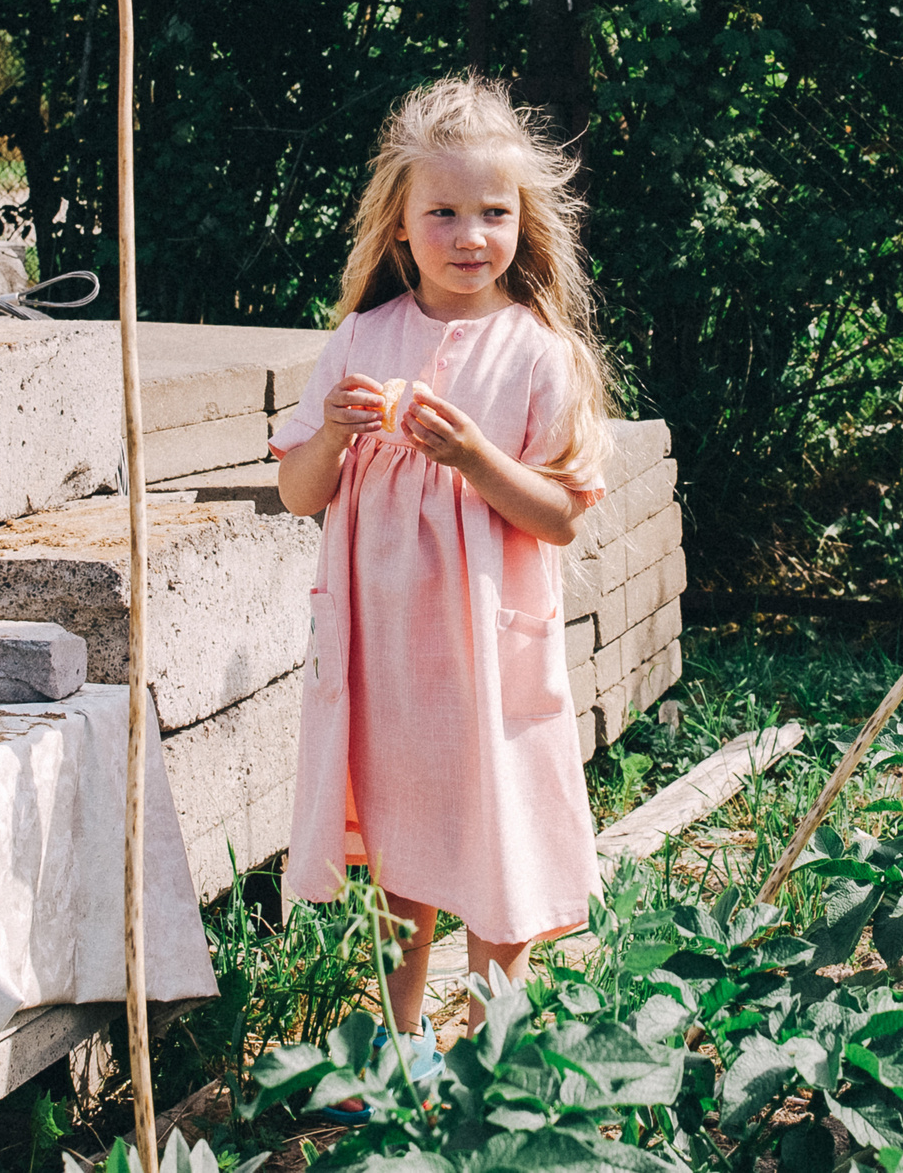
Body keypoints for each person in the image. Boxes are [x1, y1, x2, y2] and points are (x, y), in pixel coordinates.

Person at [269, 74, 615, 1087]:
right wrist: (333, 428)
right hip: (385, 651)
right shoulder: (360, 343)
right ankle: (405, 1042)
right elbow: (299, 495)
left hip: (485, 652)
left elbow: (557, 513)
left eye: (494, 213)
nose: (472, 235)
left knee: (497, 831)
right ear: (400, 226)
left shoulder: (539, 355)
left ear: (524, 221)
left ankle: (491, 1044)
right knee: (400, 844)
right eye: (445, 213)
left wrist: (474, 460)